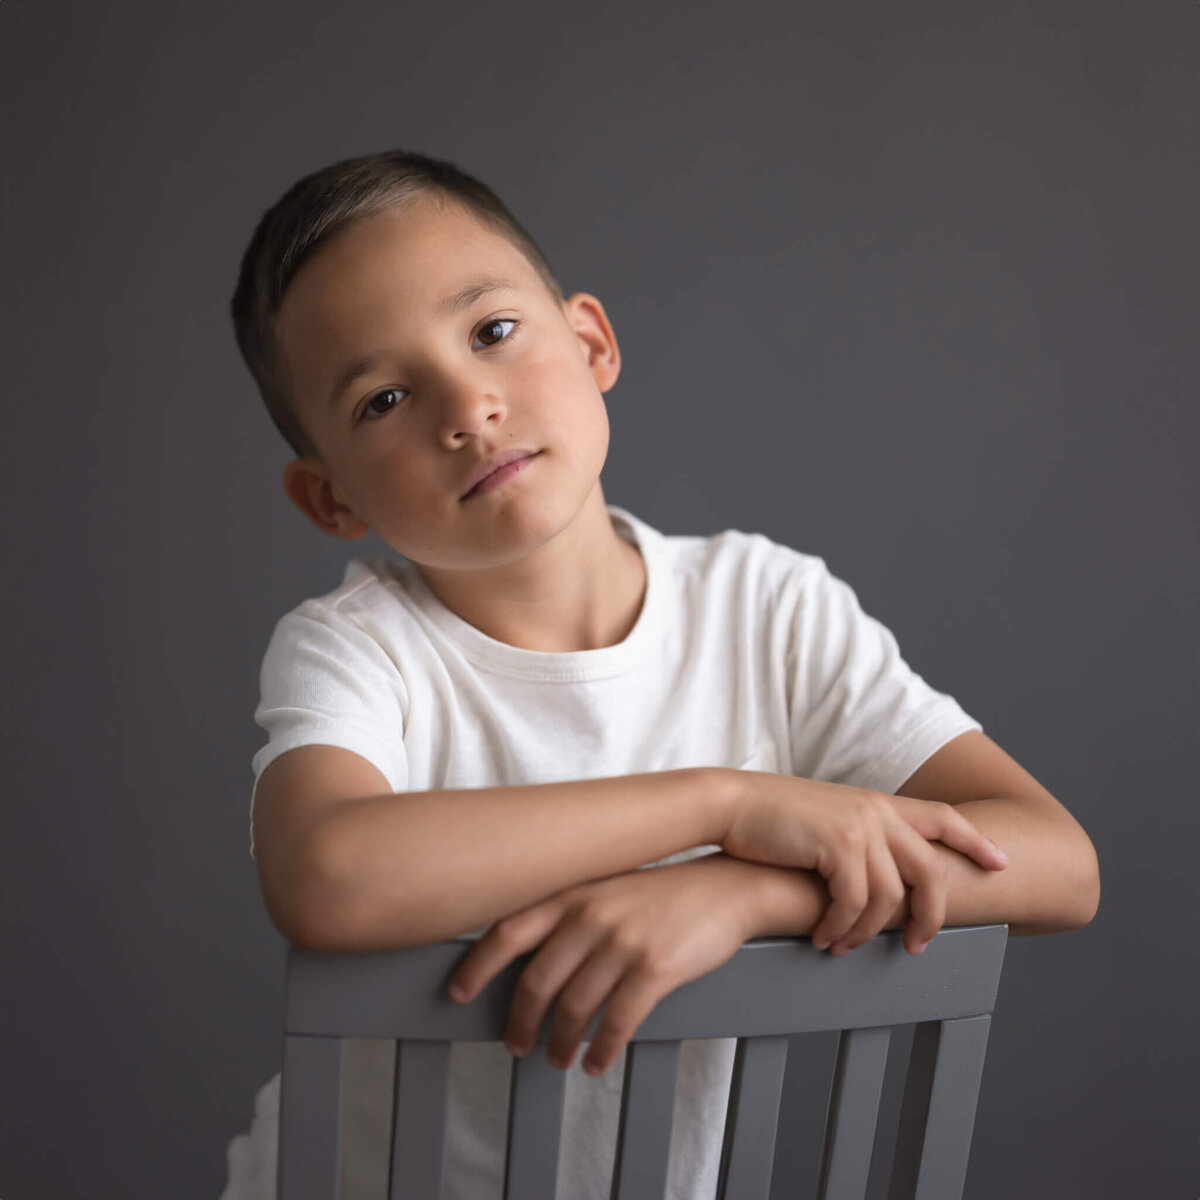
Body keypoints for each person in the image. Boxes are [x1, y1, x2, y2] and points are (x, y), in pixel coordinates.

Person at [219, 149, 1100, 1199]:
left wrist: (736, 893)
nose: (467, 406)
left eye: (492, 332)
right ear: (331, 502)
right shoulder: (358, 647)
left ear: (591, 342)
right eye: (384, 399)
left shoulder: (763, 608)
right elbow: (326, 877)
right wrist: (726, 801)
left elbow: (1057, 866)